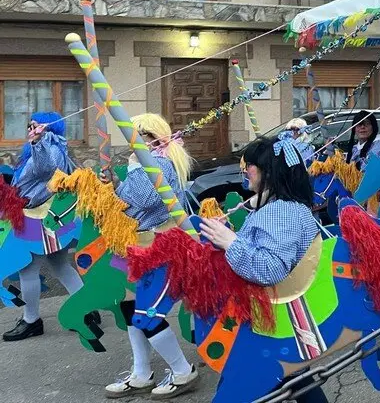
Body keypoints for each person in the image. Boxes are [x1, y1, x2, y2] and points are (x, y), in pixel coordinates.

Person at [199, 135, 327, 403]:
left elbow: (271, 268)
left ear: (269, 171)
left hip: (270, 321)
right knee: (296, 381)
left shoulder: (282, 211)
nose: (245, 170)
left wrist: (230, 242)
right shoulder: (273, 207)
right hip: (269, 318)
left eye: (250, 165)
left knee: (242, 387)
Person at [104, 113, 199, 399]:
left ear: (151, 138)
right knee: (130, 308)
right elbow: (132, 202)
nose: (130, 144)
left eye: (135, 137)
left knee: (146, 314)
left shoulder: (155, 163)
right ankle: (141, 373)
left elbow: (142, 200)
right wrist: (114, 184)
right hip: (140, 245)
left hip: (160, 248)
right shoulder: (147, 162)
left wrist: (129, 172)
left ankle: (183, 371)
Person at [2, 112, 86, 342]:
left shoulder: (51, 147)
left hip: (39, 219)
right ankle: (85, 309)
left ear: (49, 127)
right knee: (60, 265)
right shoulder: (48, 146)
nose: (31, 128)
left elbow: (45, 168)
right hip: (42, 216)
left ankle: (31, 321)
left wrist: (38, 141)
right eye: (30, 124)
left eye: (36, 124)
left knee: (27, 269)